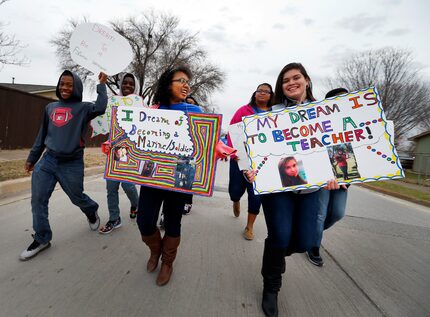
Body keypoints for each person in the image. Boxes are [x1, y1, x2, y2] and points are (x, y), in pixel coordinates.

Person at [244, 63, 340, 317]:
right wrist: (251, 169)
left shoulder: (326, 112)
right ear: (281, 86)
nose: (291, 82)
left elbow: (341, 146)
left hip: (313, 189)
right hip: (279, 189)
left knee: (307, 240)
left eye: (296, 77)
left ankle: (277, 248)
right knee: (280, 236)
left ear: (307, 80)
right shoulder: (271, 113)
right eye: (285, 80)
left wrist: (338, 175)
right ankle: (271, 286)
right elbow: (251, 150)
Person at [19, 70, 108, 261]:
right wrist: (32, 158)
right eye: (62, 84)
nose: (65, 88)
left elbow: (101, 107)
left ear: (77, 87)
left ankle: (91, 210)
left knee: (77, 197)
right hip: (48, 160)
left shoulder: (84, 108)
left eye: (69, 84)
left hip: (72, 163)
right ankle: (42, 238)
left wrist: (102, 85)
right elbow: (42, 135)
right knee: (38, 200)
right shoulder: (50, 107)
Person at [137, 66, 204, 286]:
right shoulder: (154, 110)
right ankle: (155, 251)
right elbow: (134, 137)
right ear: (168, 84)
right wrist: (115, 145)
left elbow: (206, 140)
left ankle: (167, 261)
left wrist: (220, 148)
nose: (186, 85)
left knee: (173, 221)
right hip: (153, 175)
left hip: (181, 176)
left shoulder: (196, 111)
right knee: (145, 220)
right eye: (181, 81)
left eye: (188, 82)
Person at [306, 88, 349, 267]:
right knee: (320, 214)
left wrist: (348, 177)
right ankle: (313, 246)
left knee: (337, 213)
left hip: (343, 177)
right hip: (322, 177)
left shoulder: (351, 124)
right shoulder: (317, 123)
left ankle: (309, 233)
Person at [227, 83, 273, 240]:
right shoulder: (243, 110)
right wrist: (233, 154)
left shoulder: (275, 113)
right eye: (259, 90)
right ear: (254, 93)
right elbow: (232, 132)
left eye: (266, 91)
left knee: (255, 196)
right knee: (235, 190)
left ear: (271, 95)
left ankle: (249, 226)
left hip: (261, 163)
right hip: (240, 159)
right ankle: (235, 200)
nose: (261, 93)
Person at [99, 73, 140, 234]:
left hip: (129, 150)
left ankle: (136, 204)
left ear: (135, 86)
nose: (127, 86)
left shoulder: (139, 105)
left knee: (128, 185)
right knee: (111, 187)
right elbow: (106, 123)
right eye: (125, 83)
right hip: (114, 149)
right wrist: (108, 142)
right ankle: (114, 218)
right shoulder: (113, 102)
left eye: (131, 84)